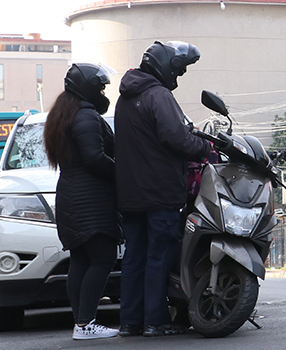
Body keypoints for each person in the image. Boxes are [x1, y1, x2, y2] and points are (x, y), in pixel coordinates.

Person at [114, 41, 212, 337]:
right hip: (159, 191)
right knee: (159, 255)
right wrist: (204, 147)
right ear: (167, 66)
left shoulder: (126, 97)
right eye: (178, 70)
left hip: (130, 193)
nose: (178, 77)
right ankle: (156, 320)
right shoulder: (158, 95)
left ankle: (130, 321)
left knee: (134, 257)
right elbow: (176, 137)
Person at [43, 62, 121, 340]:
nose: (103, 90)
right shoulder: (85, 115)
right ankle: (86, 323)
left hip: (70, 196)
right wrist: (123, 173)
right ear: (88, 87)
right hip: (90, 199)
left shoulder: (65, 113)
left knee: (81, 260)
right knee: (103, 258)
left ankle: (81, 322)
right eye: (100, 85)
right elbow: (95, 158)